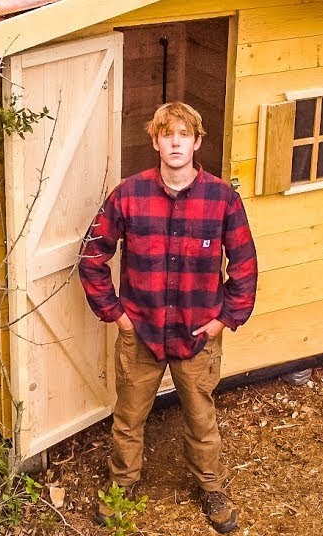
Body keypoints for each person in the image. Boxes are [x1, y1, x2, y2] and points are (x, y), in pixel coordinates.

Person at [78, 101, 258, 533]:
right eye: (166, 134)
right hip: (140, 330)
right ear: (155, 141)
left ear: (197, 142)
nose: (175, 142)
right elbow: (92, 255)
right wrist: (117, 314)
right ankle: (121, 487)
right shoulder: (129, 194)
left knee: (201, 418)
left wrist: (223, 320)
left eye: (184, 135)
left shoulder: (221, 198)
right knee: (129, 418)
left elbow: (245, 265)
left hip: (198, 333)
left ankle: (212, 487)